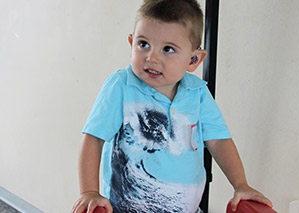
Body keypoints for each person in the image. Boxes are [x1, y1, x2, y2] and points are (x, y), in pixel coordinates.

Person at [71, 0, 273, 212]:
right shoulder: (122, 86)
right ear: (132, 43)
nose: (152, 57)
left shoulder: (197, 93)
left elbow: (219, 141)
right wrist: (89, 191)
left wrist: (240, 184)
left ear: (193, 60)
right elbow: (93, 139)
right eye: (143, 44)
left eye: (167, 49)